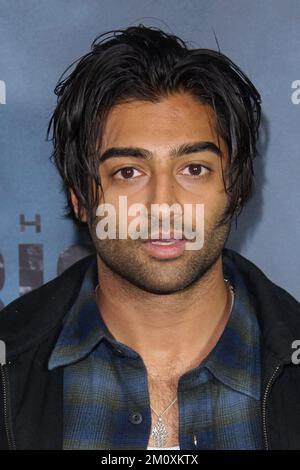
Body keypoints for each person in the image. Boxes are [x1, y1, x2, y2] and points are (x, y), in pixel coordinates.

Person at [1, 25, 300, 451]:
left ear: (235, 189)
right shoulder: (8, 364)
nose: (164, 205)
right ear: (81, 198)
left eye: (194, 169)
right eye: (128, 172)